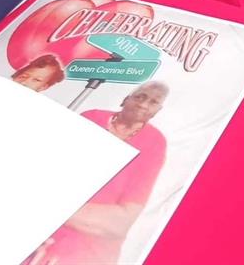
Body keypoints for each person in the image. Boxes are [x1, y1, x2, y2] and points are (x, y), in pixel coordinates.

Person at [25, 82, 169, 265]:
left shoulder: (154, 143)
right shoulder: (92, 117)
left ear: (157, 111)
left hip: (86, 252)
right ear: (125, 100)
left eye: (153, 102)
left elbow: (120, 223)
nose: (143, 104)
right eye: (140, 97)